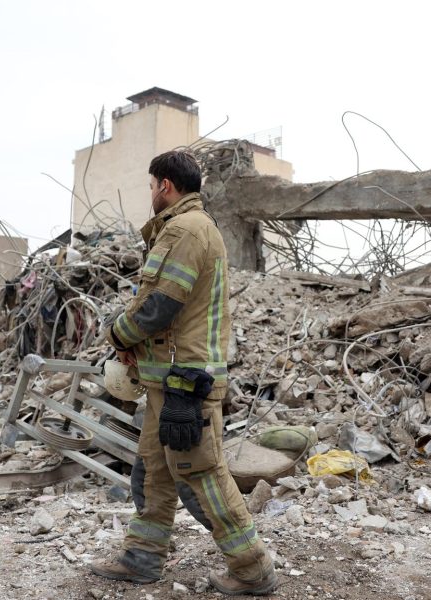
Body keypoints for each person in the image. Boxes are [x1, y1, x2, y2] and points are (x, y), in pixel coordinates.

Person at [91, 151, 277, 595]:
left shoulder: (186, 229)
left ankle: (252, 569)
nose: (150, 193)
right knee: (152, 473)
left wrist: (117, 336)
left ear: (166, 186)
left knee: (201, 476)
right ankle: (141, 558)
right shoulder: (186, 228)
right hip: (166, 383)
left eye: (151, 185)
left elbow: (159, 306)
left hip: (186, 384)